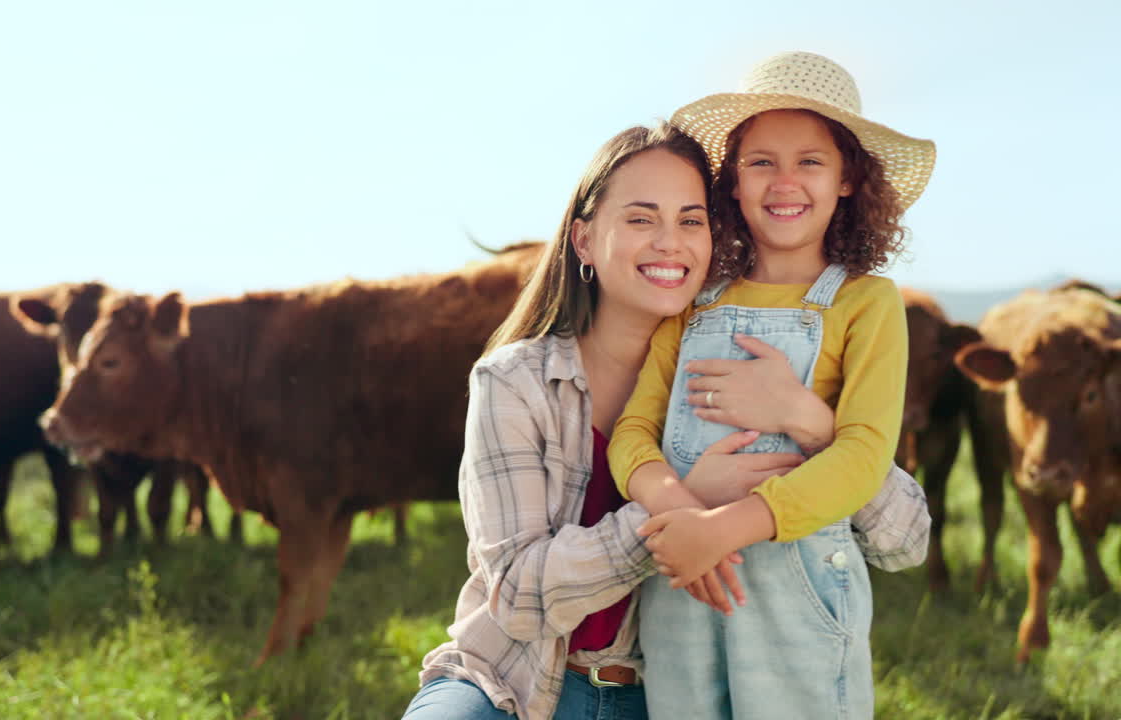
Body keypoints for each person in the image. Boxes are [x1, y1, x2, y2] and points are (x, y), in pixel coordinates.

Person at [401, 121, 928, 720]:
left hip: (660, 686)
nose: (669, 243)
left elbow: (905, 539)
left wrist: (805, 418)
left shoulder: (822, 314)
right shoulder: (516, 381)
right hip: (515, 683)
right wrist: (684, 506)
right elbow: (519, 596)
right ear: (583, 240)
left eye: (689, 220)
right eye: (641, 218)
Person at [607, 51, 937, 720]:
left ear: (848, 179)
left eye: (810, 161)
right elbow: (633, 434)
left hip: (804, 591)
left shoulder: (866, 303)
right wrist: (682, 515)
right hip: (684, 581)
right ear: (732, 182)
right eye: (762, 161)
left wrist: (729, 525)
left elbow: (862, 456)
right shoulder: (693, 303)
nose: (785, 181)